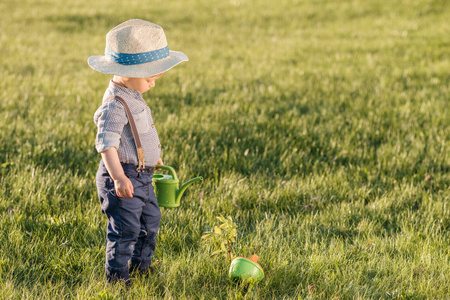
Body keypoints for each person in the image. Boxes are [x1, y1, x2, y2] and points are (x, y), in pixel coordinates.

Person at [87, 19, 188, 284]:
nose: (153, 84)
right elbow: (106, 144)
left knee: (150, 220)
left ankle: (141, 266)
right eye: (150, 78)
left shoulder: (132, 93)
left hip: (143, 174)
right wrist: (119, 178)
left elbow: (140, 133)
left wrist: (155, 158)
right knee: (126, 229)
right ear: (129, 72)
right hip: (123, 175)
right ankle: (117, 277)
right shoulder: (115, 104)